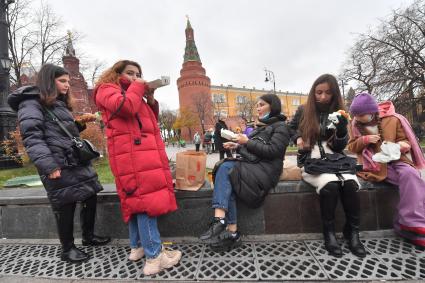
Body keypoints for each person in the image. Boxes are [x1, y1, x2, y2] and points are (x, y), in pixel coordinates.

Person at [7, 64, 110, 263]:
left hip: (74, 160)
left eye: (68, 82)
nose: (67, 85)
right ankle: (68, 249)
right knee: (66, 203)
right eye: (62, 81)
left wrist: (79, 124)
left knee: (90, 195)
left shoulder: (57, 103)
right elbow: (32, 138)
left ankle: (88, 237)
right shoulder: (31, 103)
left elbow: (61, 132)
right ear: (48, 81)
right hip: (57, 163)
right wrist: (49, 166)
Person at [93, 60, 181, 275]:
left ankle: (138, 247)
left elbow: (148, 121)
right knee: (145, 203)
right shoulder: (107, 89)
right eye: (130, 73)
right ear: (117, 74)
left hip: (138, 155)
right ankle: (155, 258)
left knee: (135, 202)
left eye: (138, 74)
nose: (135, 77)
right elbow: (126, 107)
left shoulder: (130, 93)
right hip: (133, 157)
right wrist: (139, 86)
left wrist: (150, 99)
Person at [288, 74, 366, 258]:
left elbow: (340, 147)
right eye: (319, 92)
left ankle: (353, 232)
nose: (322, 97)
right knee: (330, 185)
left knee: (350, 184)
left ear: (334, 94)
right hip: (312, 159)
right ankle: (329, 233)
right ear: (313, 92)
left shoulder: (340, 113)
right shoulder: (303, 110)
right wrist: (299, 138)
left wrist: (340, 131)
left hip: (336, 159)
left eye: (328, 93)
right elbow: (289, 128)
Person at [200, 94, 289, 252]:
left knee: (226, 168)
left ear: (273, 106)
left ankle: (219, 220)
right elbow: (254, 152)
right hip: (256, 166)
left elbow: (273, 151)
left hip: (267, 171)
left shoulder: (281, 127)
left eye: (261, 105)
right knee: (228, 174)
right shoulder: (261, 126)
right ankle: (232, 233)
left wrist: (246, 142)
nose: (258, 108)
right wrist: (237, 146)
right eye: (257, 105)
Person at [348, 93, 425, 247]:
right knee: (411, 184)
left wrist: (403, 145)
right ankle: (409, 224)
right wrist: (365, 140)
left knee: (411, 175)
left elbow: (404, 139)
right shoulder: (355, 124)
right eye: (355, 115)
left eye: (361, 114)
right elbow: (351, 146)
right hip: (374, 164)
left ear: (371, 111)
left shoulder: (393, 119)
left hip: (398, 159)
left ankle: (410, 223)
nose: (358, 118)